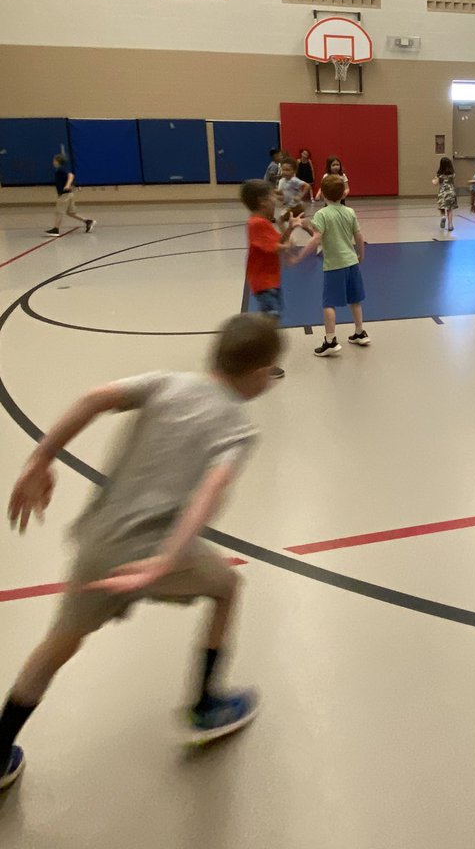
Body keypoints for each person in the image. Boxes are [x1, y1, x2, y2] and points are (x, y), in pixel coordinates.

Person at [0, 313, 284, 791]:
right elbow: (210, 490)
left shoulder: (165, 383)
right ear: (259, 375)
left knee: (59, 643)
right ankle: (206, 705)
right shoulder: (238, 427)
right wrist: (170, 557)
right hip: (151, 553)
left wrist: (40, 459)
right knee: (229, 587)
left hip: (99, 544)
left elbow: (94, 398)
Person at [296, 173, 368, 356]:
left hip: (334, 265)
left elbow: (317, 235)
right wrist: (361, 253)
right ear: (344, 193)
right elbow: (359, 236)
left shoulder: (322, 214)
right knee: (355, 299)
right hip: (351, 262)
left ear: (323, 195)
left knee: (329, 304)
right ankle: (360, 332)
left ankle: (330, 341)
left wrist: (301, 254)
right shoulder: (349, 211)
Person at [240, 179, 297, 379]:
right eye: (273, 196)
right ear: (262, 201)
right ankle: (263, 360)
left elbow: (277, 241)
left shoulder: (263, 223)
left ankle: (257, 349)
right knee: (271, 318)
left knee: (273, 316)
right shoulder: (256, 223)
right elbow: (274, 247)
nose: (276, 200)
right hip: (262, 280)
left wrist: (290, 228)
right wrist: (287, 245)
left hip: (271, 279)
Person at [45, 153, 94, 237]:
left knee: (59, 212)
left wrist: (67, 185)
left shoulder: (59, 171)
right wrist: (69, 185)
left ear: (57, 161)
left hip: (64, 195)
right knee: (71, 212)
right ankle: (87, 221)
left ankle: (56, 229)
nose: (53, 161)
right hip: (69, 194)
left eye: (54, 160)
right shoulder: (60, 170)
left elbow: (71, 175)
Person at [275, 156, 311, 233]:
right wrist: (273, 192)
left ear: (294, 171)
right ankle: (315, 236)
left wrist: (300, 196)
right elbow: (281, 192)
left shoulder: (294, 180)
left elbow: (307, 186)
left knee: (280, 220)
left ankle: (286, 238)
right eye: (283, 170)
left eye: (288, 170)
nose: (285, 172)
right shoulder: (282, 181)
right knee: (303, 224)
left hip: (295, 207)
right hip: (291, 206)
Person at [432, 157, 458, 232]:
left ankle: (443, 216)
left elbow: (435, 183)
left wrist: (433, 180)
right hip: (451, 192)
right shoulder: (452, 174)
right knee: (449, 210)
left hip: (442, 192)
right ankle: (450, 225)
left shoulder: (439, 175)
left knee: (442, 207)